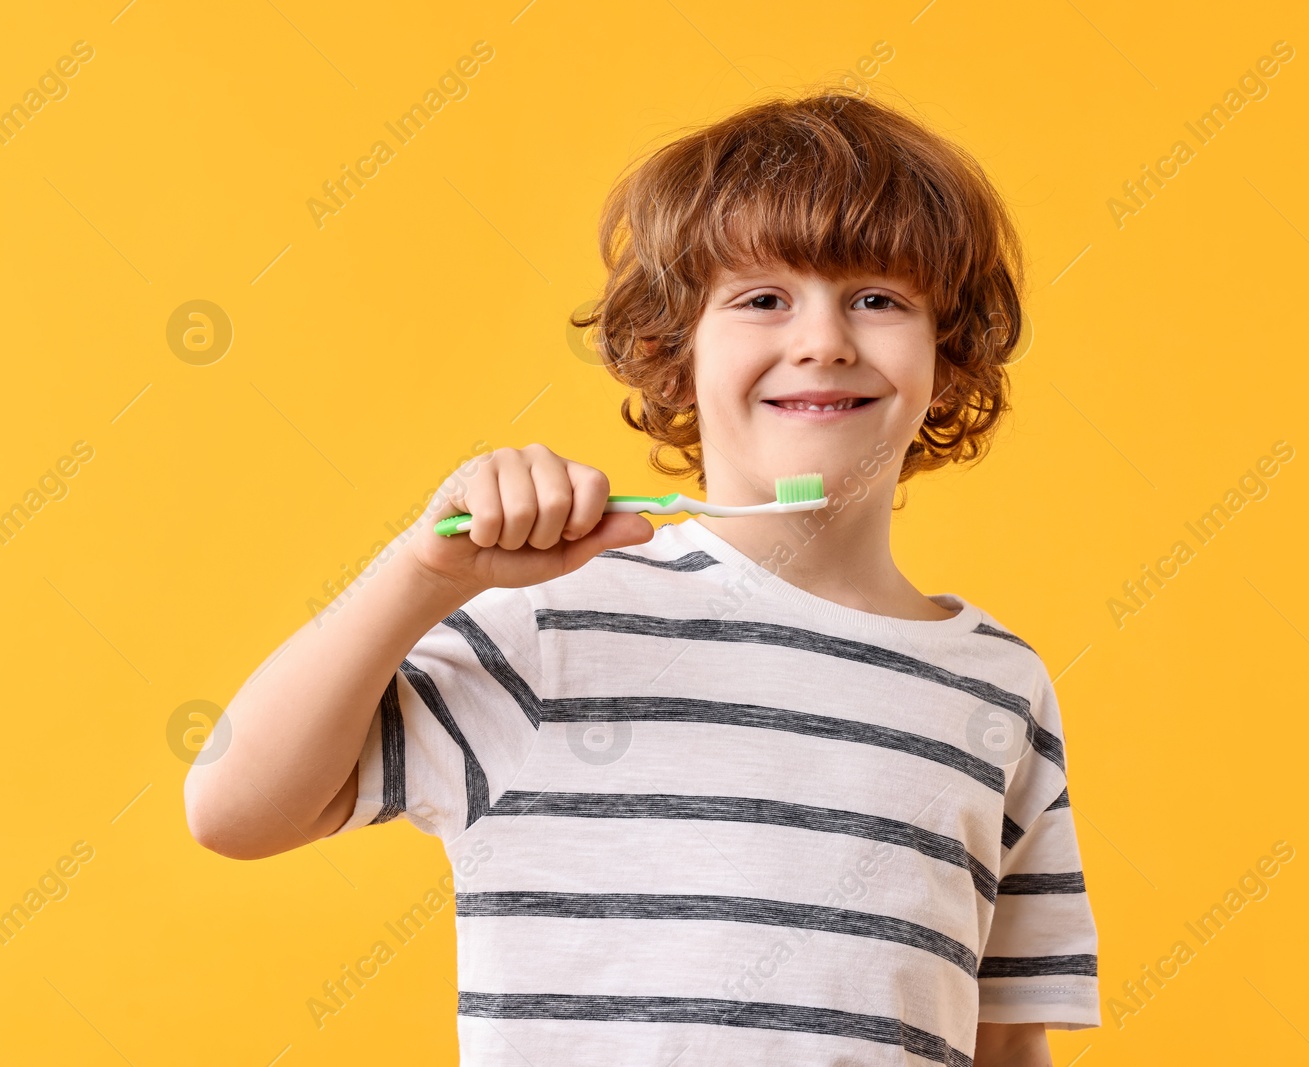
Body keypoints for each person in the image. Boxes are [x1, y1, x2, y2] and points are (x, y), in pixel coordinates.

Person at [185, 86, 1099, 1067]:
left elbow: (1006, 1033)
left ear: (946, 355)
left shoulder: (998, 683)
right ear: (674, 352)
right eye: (762, 299)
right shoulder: (554, 621)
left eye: (879, 298)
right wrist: (421, 573)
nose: (824, 338)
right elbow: (234, 809)